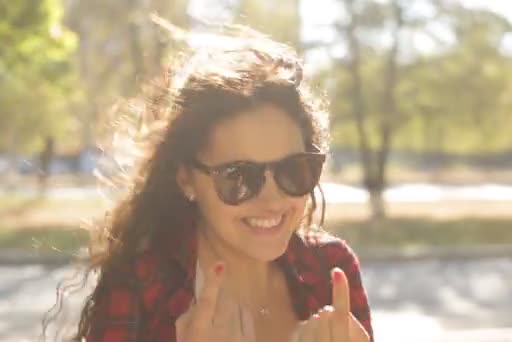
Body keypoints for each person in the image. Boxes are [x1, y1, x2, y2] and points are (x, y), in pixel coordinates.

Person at [58, 26, 373, 342]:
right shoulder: (141, 285)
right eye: (238, 176)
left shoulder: (332, 270)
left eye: (293, 170)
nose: (272, 198)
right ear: (186, 179)